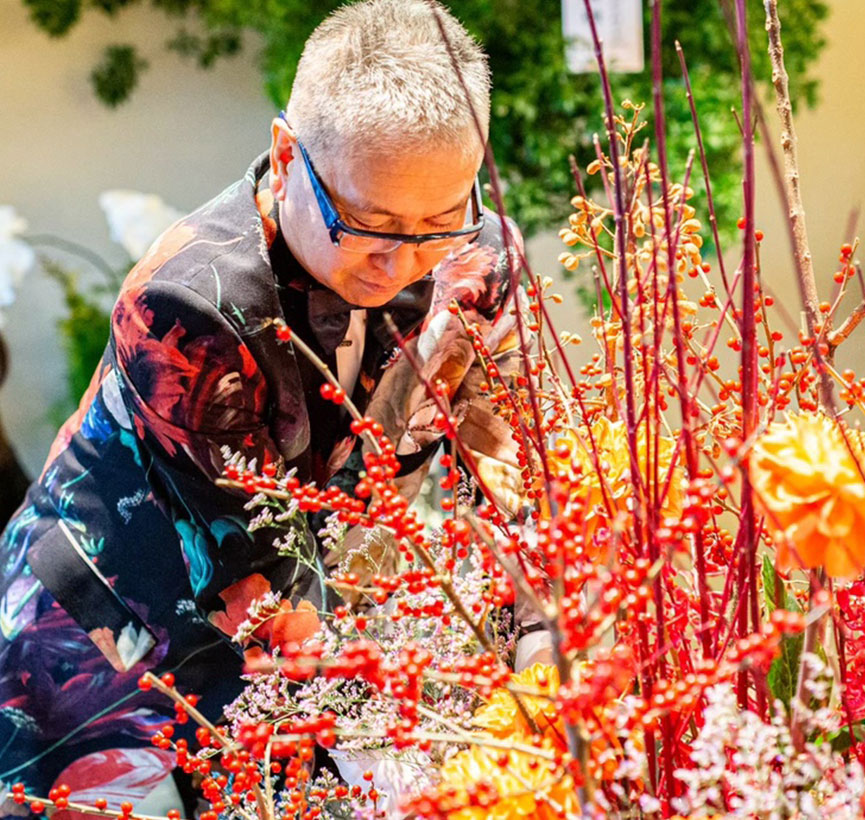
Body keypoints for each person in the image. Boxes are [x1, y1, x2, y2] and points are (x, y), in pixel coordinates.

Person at [0, 0, 526, 811]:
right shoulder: (186, 308)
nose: (404, 262)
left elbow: (509, 470)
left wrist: (540, 636)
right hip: (105, 639)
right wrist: (415, 748)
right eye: (368, 223)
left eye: (438, 221)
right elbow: (255, 581)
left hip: (294, 629)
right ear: (287, 157)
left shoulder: (472, 261)